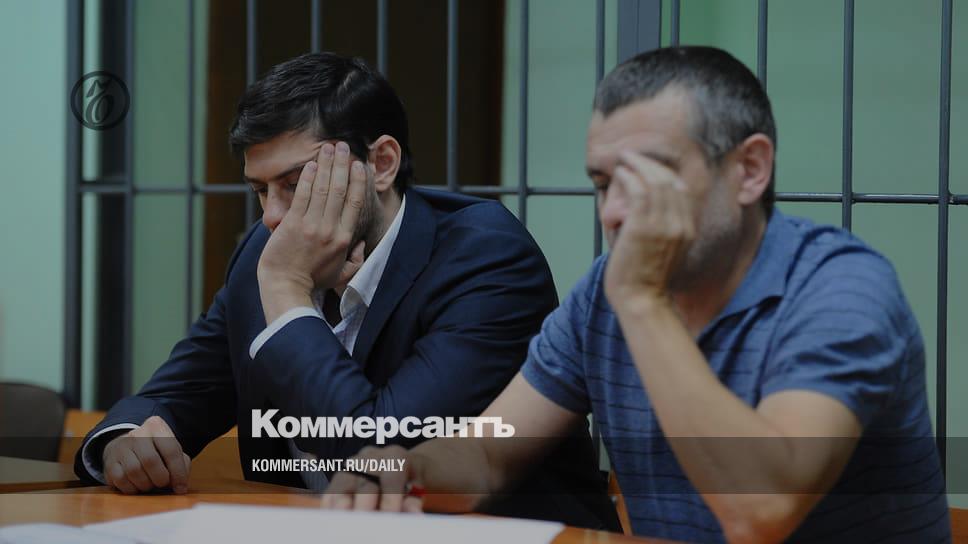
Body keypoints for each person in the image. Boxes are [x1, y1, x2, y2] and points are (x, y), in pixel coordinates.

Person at [322, 46, 951, 543]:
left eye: (650, 177)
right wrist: (406, 468)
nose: (617, 211)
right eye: (603, 183)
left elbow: (761, 511)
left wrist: (644, 303)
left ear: (750, 170)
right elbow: (488, 454)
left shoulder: (840, 289)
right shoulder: (609, 293)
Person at [74, 52, 620, 531]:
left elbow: (381, 455)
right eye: (260, 190)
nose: (273, 218)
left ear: (381, 163)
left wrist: (289, 294)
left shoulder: (484, 256)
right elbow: (178, 393)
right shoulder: (264, 255)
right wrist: (126, 440)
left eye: (295, 184)